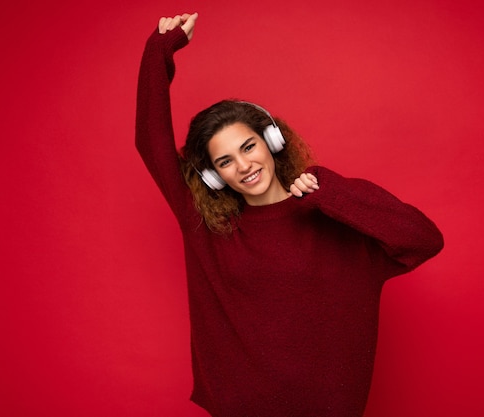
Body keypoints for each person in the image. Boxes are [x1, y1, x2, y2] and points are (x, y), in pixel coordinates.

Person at [136, 12, 444, 417]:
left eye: (248, 147)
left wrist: (327, 190)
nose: (243, 165)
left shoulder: (332, 215)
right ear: (213, 176)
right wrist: (159, 51)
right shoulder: (208, 227)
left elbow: (423, 239)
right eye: (225, 161)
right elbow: (150, 140)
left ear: (271, 141)